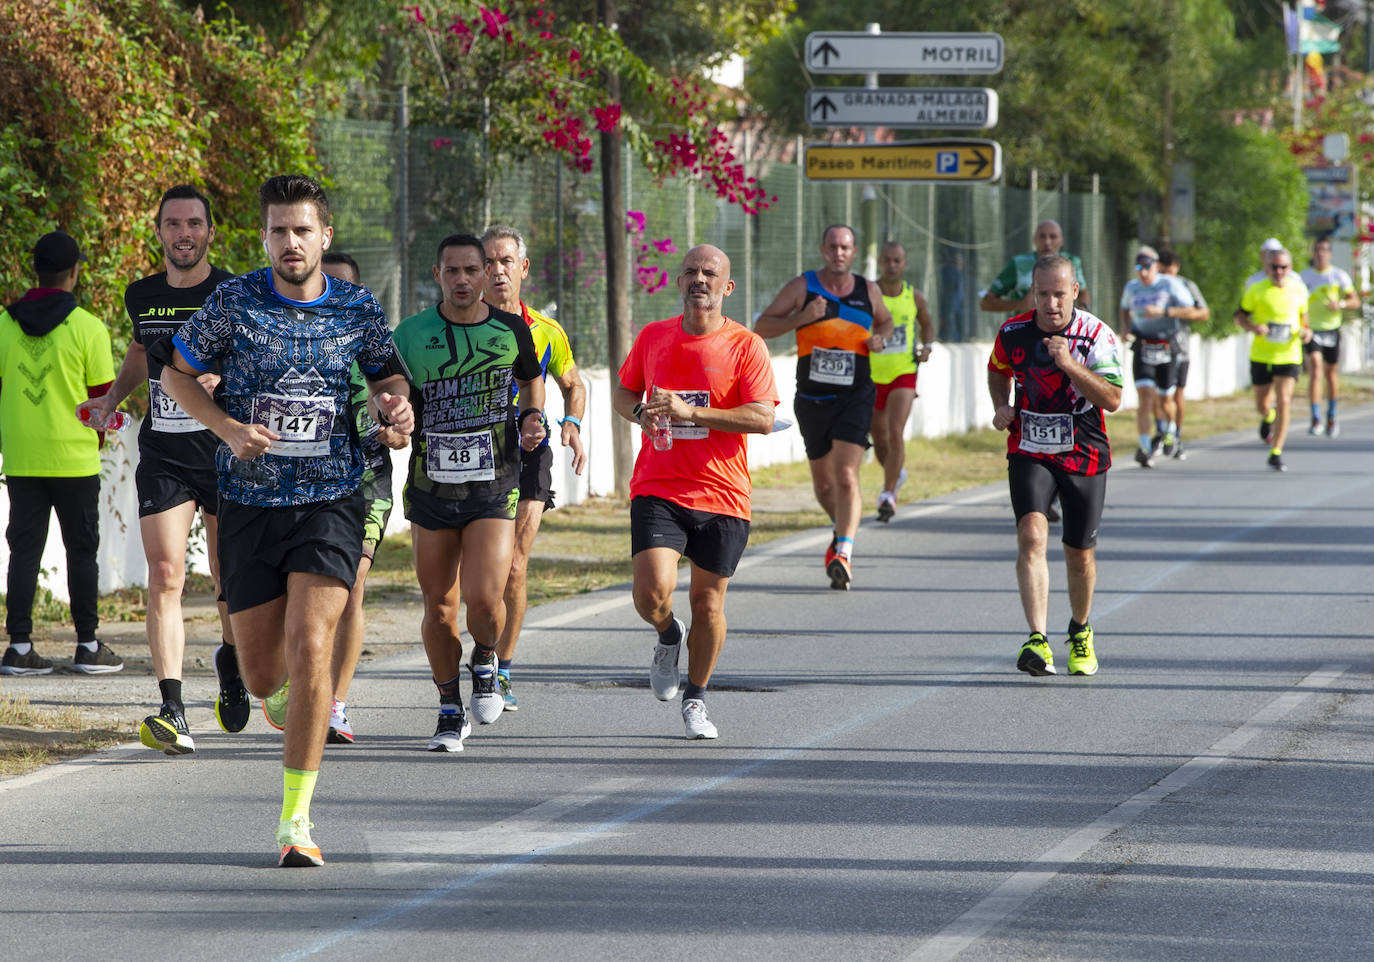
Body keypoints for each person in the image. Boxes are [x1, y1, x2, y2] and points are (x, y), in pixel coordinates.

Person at [157, 174, 414, 867]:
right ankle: (256, 682)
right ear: (264, 237)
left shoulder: (357, 307)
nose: (290, 242)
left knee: (311, 644)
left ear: (324, 237)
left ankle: (295, 821)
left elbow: (391, 379)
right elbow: (175, 375)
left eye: (303, 230)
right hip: (248, 505)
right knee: (269, 667)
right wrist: (225, 429)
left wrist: (398, 411)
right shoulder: (233, 303)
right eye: (278, 231)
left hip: (332, 499)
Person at [77, 185, 245, 755]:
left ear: (209, 232)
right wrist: (112, 400)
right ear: (159, 232)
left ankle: (232, 660)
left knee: (227, 574)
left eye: (194, 223)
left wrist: (227, 380)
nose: (184, 233)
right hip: (166, 452)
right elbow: (137, 351)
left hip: (223, 450)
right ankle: (172, 708)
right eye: (173, 224)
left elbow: (258, 357)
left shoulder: (233, 292)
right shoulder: (141, 295)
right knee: (167, 574)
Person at [613, 244, 778, 738]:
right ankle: (668, 634)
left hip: (723, 493)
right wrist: (643, 414)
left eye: (710, 273)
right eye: (691, 272)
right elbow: (625, 391)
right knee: (651, 593)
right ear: (679, 282)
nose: (699, 280)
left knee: (708, 604)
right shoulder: (654, 337)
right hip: (659, 486)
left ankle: (697, 698)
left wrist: (691, 412)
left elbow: (763, 417)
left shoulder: (746, 345)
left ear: (727, 287)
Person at [392, 233, 545, 753]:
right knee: (438, 606)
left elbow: (532, 380)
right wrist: (394, 417)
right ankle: (448, 707)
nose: (462, 280)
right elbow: (388, 394)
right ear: (437, 275)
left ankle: (485, 656)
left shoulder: (510, 329)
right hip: (431, 486)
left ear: (485, 276)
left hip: (493, 482)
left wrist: (532, 415)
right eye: (451, 271)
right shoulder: (410, 334)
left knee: (485, 599)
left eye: (470, 271)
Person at [987, 254, 1123, 677]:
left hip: (1084, 452)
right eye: (1042, 294)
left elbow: (1113, 399)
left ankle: (1080, 631)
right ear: (1033, 293)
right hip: (1029, 446)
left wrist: (1068, 364)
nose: (1051, 303)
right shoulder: (1013, 332)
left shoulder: (1096, 335)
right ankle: (1037, 639)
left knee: (1079, 553)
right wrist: (1001, 404)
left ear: (1074, 292)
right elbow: (997, 369)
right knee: (1031, 532)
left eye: (1059, 294)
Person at [0, 230, 123, 676]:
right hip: (74, 460)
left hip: (21, 458)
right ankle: (88, 646)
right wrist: (97, 440)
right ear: (75, 272)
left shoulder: (3, 324)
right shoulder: (89, 328)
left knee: (24, 551)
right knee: (82, 551)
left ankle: (18, 647)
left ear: (35, 269)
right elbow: (103, 404)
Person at [479, 224, 587, 712]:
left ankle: (500, 668)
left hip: (529, 452)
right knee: (478, 574)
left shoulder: (547, 331)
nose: (497, 271)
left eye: (506, 262)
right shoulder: (462, 326)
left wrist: (573, 424)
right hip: (471, 453)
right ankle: (480, 654)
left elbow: (573, 383)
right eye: (488, 262)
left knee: (516, 568)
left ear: (522, 269)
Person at [755, 224, 892, 590]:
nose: (839, 253)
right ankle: (841, 530)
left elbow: (886, 321)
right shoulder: (803, 287)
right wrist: (802, 317)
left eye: (845, 246)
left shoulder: (869, 289)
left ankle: (843, 551)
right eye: (832, 246)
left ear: (854, 250)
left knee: (846, 474)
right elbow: (762, 326)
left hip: (856, 394)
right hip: (813, 398)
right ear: (822, 249)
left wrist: (881, 339)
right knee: (823, 482)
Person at [317, 251, 410, 744]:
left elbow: (398, 417)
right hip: (301, 483)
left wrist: (396, 431)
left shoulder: (372, 345)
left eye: (338, 285)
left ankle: (334, 704)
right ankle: (304, 677)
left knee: (351, 585)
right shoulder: (284, 340)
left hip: (365, 481)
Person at [870, 241, 934, 522]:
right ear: (880, 263)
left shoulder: (914, 296)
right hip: (872, 375)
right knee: (879, 438)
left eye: (897, 260)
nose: (892, 265)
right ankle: (897, 474)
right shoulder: (869, 293)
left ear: (904, 264)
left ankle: (887, 494)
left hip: (904, 372)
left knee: (895, 432)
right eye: (887, 260)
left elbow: (927, 324)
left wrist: (927, 346)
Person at [1118, 244, 1196, 467]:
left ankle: (1169, 431)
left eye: (1147, 267)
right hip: (1143, 345)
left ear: (1156, 267)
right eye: (1138, 267)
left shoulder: (1170, 284)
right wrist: (1125, 327)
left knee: (1166, 399)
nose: (1143, 272)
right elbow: (1124, 307)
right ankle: (1144, 447)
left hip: (1167, 346)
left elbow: (1190, 309)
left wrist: (1163, 312)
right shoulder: (1131, 287)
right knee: (1145, 399)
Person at [1235, 247, 1310, 471]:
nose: (1278, 271)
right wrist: (1253, 327)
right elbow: (1240, 317)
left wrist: (1306, 332)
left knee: (1285, 399)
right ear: (1267, 268)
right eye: (1274, 267)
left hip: (1289, 354)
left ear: (1290, 268)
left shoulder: (1298, 290)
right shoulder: (1256, 290)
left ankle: (1276, 451)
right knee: (1262, 404)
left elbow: (1304, 322)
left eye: (1283, 267)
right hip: (1262, 354)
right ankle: (1269, 416)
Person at [1299, 235, 1358, 438]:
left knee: (1331, 374)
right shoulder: (1304, 276)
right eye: (1317, 250)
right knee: (1315, 369)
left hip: (1332, 328)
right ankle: (1315, 417)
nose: (1320, 253)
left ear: (1329, 253)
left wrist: (1339, 304)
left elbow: (1354, 301)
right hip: (1312, 329)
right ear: (1313, 253)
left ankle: (1332, 414)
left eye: (1324, 250)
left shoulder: (1338, 276)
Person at [1155, 249, 1209, 460]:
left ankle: (1176, 436)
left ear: (1177, 269)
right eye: (1163, 270)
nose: (1167, 275)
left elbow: (1203, 312)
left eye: (1171, 270)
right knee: (1155, 394)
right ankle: (1162, 433)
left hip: (1179, 348)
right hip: (1155, 346)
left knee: (1177, 394)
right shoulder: (1151, 286)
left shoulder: (1186, 286)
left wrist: (1172, 312)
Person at [980, 220, 1090, 314]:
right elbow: (985, 304)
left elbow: (1083, 293)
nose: (1047, 242)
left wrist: (1081, 313)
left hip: (1062, 333)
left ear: (1061, 240)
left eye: (1053, 236)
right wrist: (1020, 305)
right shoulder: (1018, 264)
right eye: (1042, 236)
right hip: (1026, 333)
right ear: (1035, 239)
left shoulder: (1072, 263)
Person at [937, 248, 966, 343]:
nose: (960, 262)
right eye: (958, 259)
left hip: (957, 306)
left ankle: (957, 339)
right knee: (949, 322)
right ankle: (946, 338)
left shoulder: (960, 273)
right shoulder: (949, 272)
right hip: (950, 306)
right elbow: (948, 292)